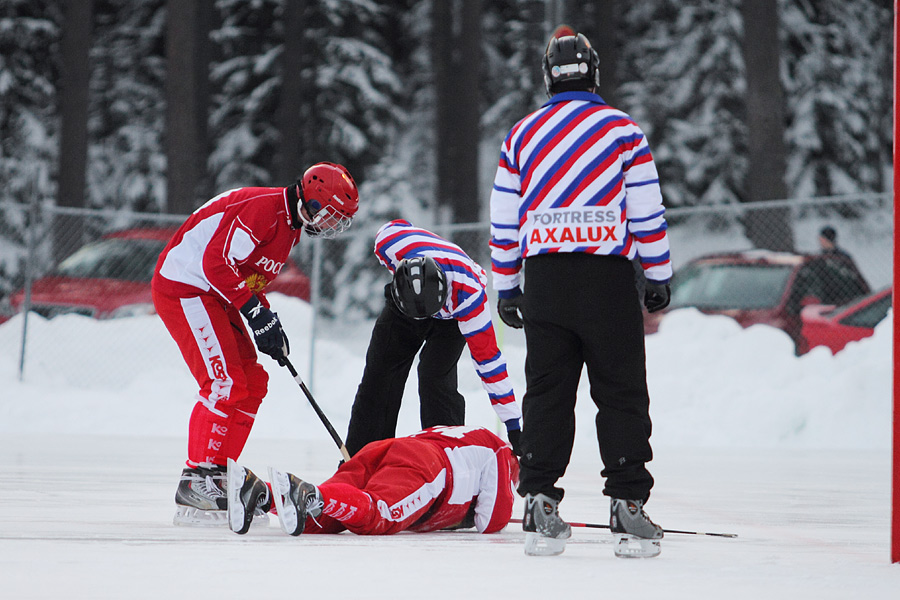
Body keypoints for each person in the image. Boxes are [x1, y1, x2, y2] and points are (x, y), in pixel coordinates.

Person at [488, 31, 672, 558]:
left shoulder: (522, 135)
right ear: (594, 74)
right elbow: (645, 208)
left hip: (545, 280)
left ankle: (541, 501)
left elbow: (504, 219)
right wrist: (657, 274)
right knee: (620, 392)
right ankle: (627, 506)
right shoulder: (622, 130)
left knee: (547, 393)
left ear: (549, 77)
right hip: (606, 280)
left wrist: (508, 285)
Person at [151, 162, 360, 526]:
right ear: (312, 201)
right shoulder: (264, 210)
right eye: (330, 216)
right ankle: (197, 478)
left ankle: (220, 475)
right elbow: (216, 263)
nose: (331, 226)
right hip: (185, 286)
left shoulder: (289, 231)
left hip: (214, 294)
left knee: (253, 382)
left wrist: (267, 319)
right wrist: (254, 312)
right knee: (224, 381)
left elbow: (245, 277)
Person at [343, 219, 522, 457]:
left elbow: (490, 364)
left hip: (451, 313)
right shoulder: (388, 244)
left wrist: (514, 426)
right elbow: (398, 224)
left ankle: (446, 459)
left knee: (435, 377)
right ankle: (362, 457)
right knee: (380, 374)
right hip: (403, 306)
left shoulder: (469, 299)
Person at [226, 425, 518, 536]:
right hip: (429, 465)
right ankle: (311, 494)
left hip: (391, 447)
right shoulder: (503, 452)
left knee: (326, 520)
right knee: (380, 514)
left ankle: (260, 494)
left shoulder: (470, 436)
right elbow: (492, 520)